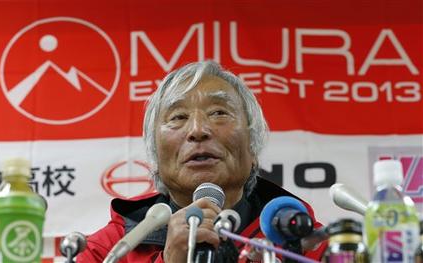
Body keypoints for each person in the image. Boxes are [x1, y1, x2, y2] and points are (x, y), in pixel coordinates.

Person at [77, 61, 327, 262]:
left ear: (253, 148)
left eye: (219, 113)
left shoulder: (309, 244)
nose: (197, 130)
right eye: (178, 117)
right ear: (155, 156)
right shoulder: (108, 251)